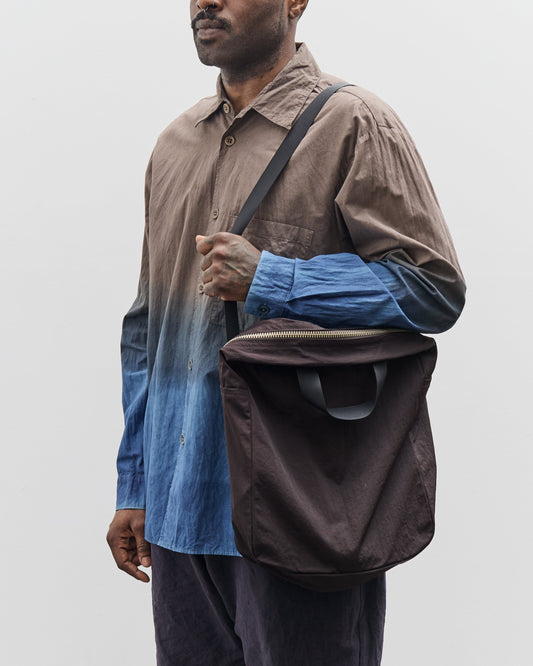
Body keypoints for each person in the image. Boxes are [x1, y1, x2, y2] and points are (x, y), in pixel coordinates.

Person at [106, 1, 466, 664]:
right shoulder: (174, 144)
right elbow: (147, 327)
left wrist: (274, 278)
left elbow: (433, 289)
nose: (205, 2)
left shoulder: (352, 122)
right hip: (178, 513)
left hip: (298, 509)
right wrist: (136, 484)